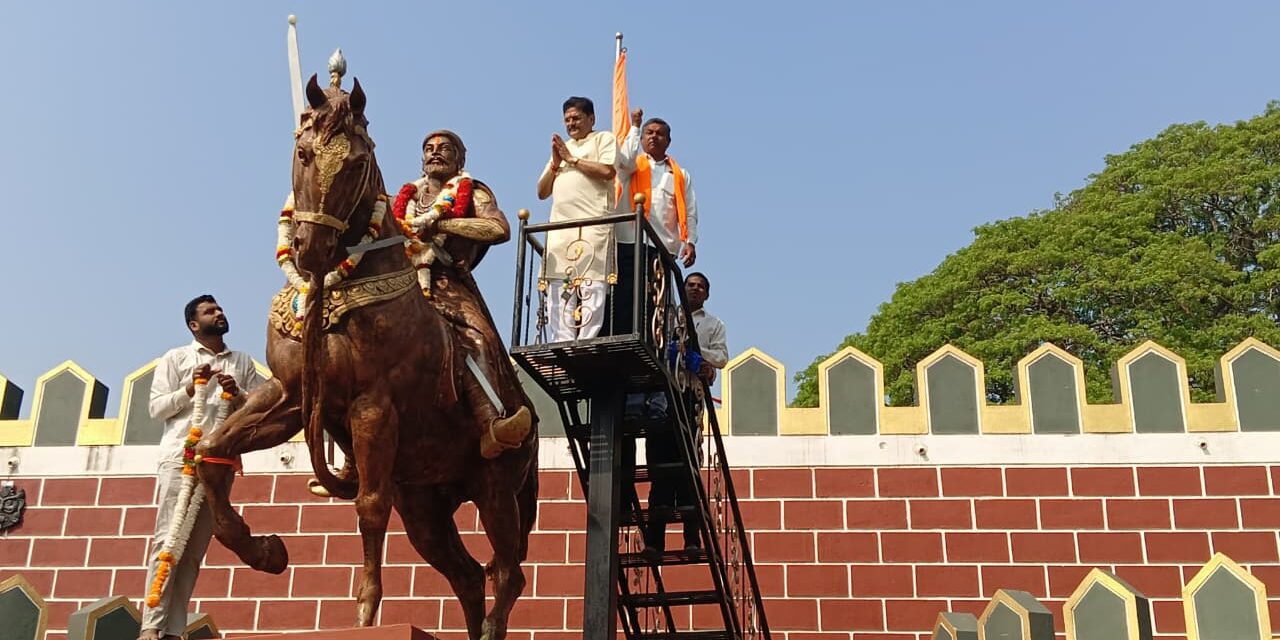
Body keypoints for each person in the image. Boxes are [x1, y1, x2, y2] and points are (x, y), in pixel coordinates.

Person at [396, 129, 533, 458]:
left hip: (447, 282)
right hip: (401, 282)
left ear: (460, 159)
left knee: (478, 337)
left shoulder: (472, 192)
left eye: (445, 148)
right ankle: (352, 451)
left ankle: (490, 422)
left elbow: (498, 228)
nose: (435, 153)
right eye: (428, 148)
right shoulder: (403, 198)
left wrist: (440, 225)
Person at [141, 295, 263, 640]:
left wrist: (236, 393)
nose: (220, 313)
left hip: (220, 463)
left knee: (194, 550)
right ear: (195, 325)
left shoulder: (240, 361)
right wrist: (189, 389)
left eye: (220, 308)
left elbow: (255, 408)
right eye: (211, 311)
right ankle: (152, 626)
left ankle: (174, 631)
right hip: (182, 457)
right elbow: (156, 409)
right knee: (168, 541)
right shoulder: (177, 358)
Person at [641, 272, 728, 563]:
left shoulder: (713, 324)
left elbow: (722, 357)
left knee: (687, 471)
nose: (694, 289)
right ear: (682, 289)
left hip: (690, 397)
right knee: (659, 470)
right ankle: (654, 544)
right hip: (663, 394)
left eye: (700, 286)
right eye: (690, 285)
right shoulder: (664, 317)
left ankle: (692, 540)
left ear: (706, 294)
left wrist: (696, 355)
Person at [611, 108, 700, 336]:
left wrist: (689, 241)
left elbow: (689, 211)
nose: (653, 137)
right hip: (629, 238)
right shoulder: (633, 164)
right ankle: (623, 337)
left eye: (659, 134)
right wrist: (634, 125)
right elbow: (623, 158)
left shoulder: (680, 174)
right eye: (648, 133)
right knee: (624, 293)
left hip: (662, 246)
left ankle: (651, 339)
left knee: (655, 298)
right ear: (641, 138)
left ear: (668, 141)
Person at [536, 96, 618, 341]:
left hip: (593, 228)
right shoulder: (561, 151)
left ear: (591, 119)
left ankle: (584, 342)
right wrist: (556, 164)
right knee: (560, 289)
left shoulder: (602, 139)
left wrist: (572, 160)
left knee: (591, 288)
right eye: (567, 119)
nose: (571, 123)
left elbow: (607, 171)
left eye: (576, 118)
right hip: (561, 232)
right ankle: (562, 343)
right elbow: (541, 192)